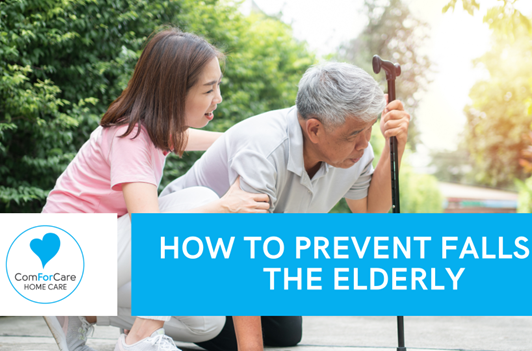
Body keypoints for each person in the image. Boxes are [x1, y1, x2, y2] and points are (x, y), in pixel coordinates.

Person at [145, 61, 411, 350]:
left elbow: (371, 213)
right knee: (217, 327)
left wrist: (393, 147)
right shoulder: (264, 147)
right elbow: (243, 252)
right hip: (183, 248)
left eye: (369, 129)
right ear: (314, 129)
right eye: (353, 134)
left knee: (285, 332)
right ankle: (133, 313)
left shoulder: (354, 153)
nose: (363, 144)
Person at [41, 28, 269, 351]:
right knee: (201, 204)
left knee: (207, 321)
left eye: (218, 86)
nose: (218, 98)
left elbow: (184, 139)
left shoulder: (153, 128)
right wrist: (226, 207)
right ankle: (140, 340)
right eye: (209, 89)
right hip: (67, 250)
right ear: (174, 93)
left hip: (101, 252)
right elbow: (150, 231)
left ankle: (85, 311)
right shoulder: (129, 136)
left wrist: (239, 139)